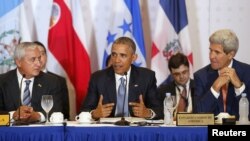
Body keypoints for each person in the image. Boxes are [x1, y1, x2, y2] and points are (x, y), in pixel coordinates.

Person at [81, 37, 162, 120]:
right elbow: (84, 111)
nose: (116, 60)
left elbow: (159, 110)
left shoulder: (146, 77)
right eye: (114, 54)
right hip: (108, 129)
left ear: (133, 58)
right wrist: (94, 114)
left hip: (136, 129)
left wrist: (148, 113)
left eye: (123, 55)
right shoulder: (98, 78)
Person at [0, 42, 64, 123]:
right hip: (9, 134)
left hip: (40, 133)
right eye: (33, 59)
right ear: (18, 62)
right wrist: (13, 115)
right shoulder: (2, 81)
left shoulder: (51, 81)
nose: (38, 63)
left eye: (39, 58)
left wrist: (38, 116)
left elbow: (57, 112)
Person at [194, 29, 250, 120]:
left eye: (217, 52)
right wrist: (214, 88)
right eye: (210, 51)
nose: (211, 56)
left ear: (231, 54)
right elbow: (197, 116)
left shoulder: (247, 73)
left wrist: (239, 87)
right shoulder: (201, 76)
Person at [34, 41, 69, 120]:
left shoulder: (59, 81)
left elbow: (65, 113)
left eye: (42, 54)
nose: (39, 57)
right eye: (35, 55)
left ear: (46, 56)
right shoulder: (25, 79)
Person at [157, 52, 195, 119]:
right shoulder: (162, 91)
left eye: (184, 72)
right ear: (171, 74)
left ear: (189, 70)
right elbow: (159, 114)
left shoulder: (199, 87)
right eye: (177, 74)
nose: (181, 76)